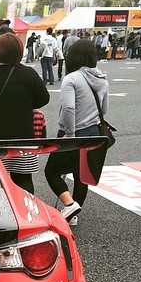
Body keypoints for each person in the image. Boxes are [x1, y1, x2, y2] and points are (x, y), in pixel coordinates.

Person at [0, 32, 50, 194]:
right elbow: (43, 99)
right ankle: (24, 216)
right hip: (22, 137)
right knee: (22, 179)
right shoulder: (28, 74)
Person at [44, 39, 109, 225]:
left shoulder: (71, 79)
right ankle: (73, 214)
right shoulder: (102, 79)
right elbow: (104, 110)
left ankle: (69, 204)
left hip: (73, 133)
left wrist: (70, 135)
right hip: (94, 133)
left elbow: (69, 109)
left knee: (51, 172)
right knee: (82, 174)